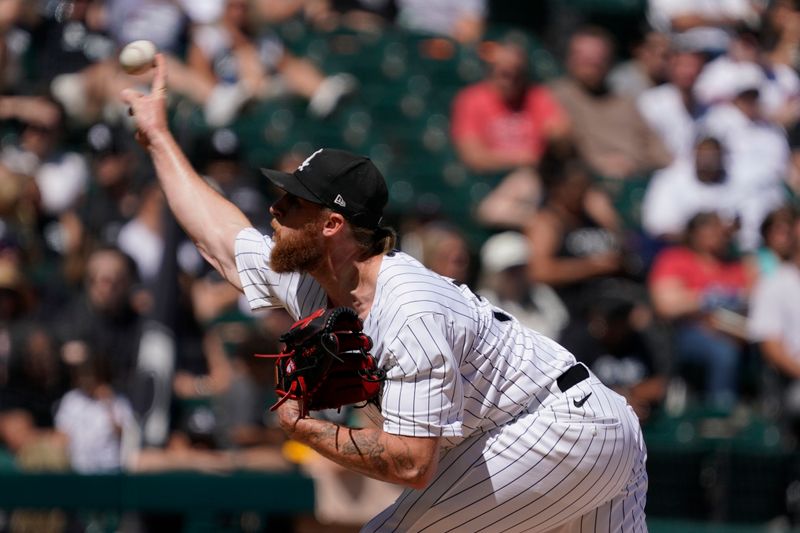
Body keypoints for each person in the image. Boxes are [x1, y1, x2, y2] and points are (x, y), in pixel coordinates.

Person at [121, 54, 648, 531]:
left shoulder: (406, 308)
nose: (273, 212)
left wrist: (303, 429)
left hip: (557, 427)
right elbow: (219, 239)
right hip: (576, 432)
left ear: (331, 225)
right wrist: (159, 139)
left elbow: (411, 465)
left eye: (291, 205)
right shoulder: (312, 277)